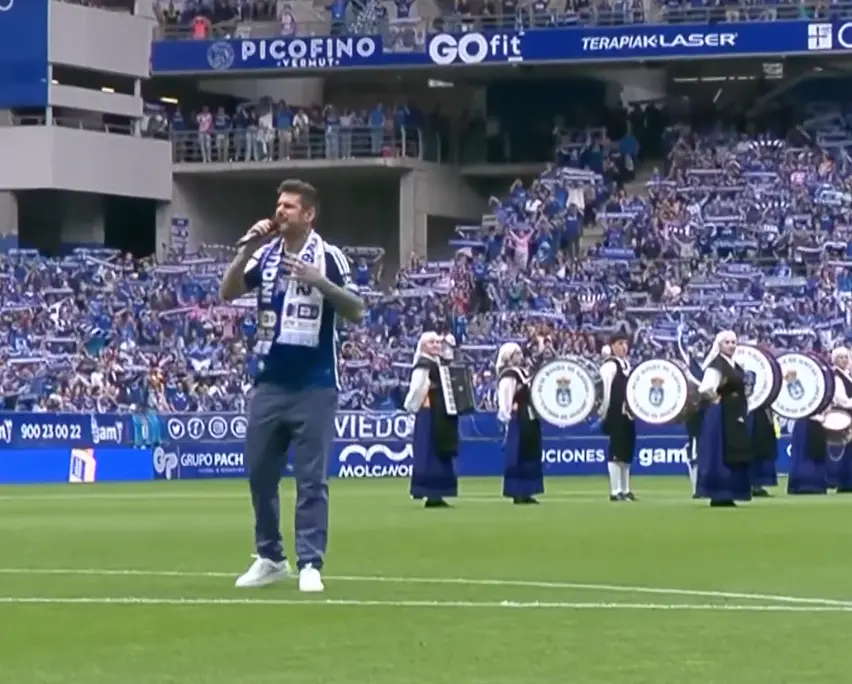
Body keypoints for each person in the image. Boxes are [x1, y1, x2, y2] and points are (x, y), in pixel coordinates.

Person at [220, 179, 365, 592]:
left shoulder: (329, 257)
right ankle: (270, 556)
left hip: (315, 385)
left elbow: (357, 309)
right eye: (278, 205)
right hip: (268, 383)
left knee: (311, 479)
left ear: (309, 215)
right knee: (260, 475)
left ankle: (310, 562)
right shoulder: (264, 255)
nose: (280, 211)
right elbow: (227, 292)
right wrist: (245, 249)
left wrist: (319, 281)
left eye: (289, 206)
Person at [695, 330, 753, 507]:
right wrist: (714, 397)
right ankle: (719, 493)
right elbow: (705, 388)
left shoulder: (736, 365)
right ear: (719, 345)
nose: (731, 345)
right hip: (721, 414)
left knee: (734, 450)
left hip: (734, 413)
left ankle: (731, 492)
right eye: (727, 342)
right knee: (720, 452)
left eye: (734, 342)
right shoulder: (716, 365)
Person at [404, 331, 459, 508]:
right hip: (430, 413)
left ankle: (437, 492)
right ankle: (431, 492)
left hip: (439, 413)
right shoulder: (424, 365)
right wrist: (413, 406)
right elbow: (417, 389)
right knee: (430, 452)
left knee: (439, 451)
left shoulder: (437, 363)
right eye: (432, 342)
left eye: (437, 342)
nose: (436, 345)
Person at [496, 342, 543, 504]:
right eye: (516, 354)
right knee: (518, 452)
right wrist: (507, 416)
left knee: (529, 452)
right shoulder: (509, 374)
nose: (520, 356)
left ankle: (528, 490)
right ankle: (517, 491)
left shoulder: (522, 373)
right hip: (519, 417)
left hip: (529, 415)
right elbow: (505, 398)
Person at [598, 333, 636, 501]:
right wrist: (604, 412)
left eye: (626, 344)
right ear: (612, 346)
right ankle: (615, 490)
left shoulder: (627, 365)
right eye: (620, 343)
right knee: (615, 451)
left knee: (626, 453)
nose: (624, 347)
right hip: (616, 412)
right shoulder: (610, 366)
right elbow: (606, 391)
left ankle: (626, 489)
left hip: (629, 413)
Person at [827, 346, 852, 493]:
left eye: (846, 357)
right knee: (844, 449)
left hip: (848, 414)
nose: (843, 360)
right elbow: (841, 399)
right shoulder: (836, 376)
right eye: (840, 357)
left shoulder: (847, 375)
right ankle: (844, 481)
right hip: (843, 415)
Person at [787, 412, 828, 495]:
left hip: (817, 423)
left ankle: (815, 485)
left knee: (816, 451)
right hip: (804, 421)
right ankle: (803, 485)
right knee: (803, 451)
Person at [747, 404, 778, 497]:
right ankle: (754, 486)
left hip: (760, 416)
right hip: (751, 415)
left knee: (761, 450)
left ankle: (757, 486)